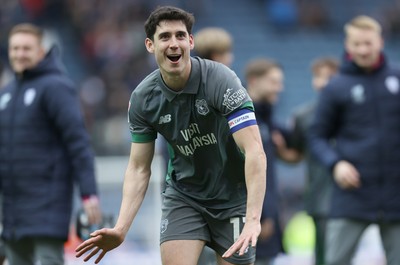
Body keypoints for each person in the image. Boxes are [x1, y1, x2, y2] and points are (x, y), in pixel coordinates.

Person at [75, 5, 267, 265]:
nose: (173, 43)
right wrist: (121, 228)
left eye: (179, 35)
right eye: (164, 37)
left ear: (190, 41)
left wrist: (254, 218)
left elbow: (254, 150)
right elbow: (139, 168)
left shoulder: (221, 80)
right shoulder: (143, 98)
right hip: (184, 196)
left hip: (232, 197)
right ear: (150, 45)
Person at [0, 23, 102, 265]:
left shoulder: (57, 87)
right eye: (15, 48)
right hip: (13, 213)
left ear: (41, 51)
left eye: (26, 48)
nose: (19, 54)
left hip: (48, 208)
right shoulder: (7, 93)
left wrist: (89, 193)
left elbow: (78, 143)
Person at [308, 15, 400, 265]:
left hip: (395, 195)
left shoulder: (397, 79)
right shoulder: (336, 86)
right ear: (348, 46)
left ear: (380, 41)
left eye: (368, 43)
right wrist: (335, 164)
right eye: (357, 44)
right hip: (352, 195)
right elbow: (317, 136)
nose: (363, 49)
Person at [273, 57, 339, 265]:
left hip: (359, 197)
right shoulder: (303, 116)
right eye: (319, 77)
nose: (323, 82)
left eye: (329, 77)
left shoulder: (356, 112)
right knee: (324, 257)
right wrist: (279, 149)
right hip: (322, 199)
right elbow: (296, 155)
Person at [244, 58, 285, 265]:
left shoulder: (268, 119)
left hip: (266, 214)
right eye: (273, 82)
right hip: (252, 217)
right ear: (254, 80)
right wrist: (261, 215)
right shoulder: (242, 119)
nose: (279, 88)